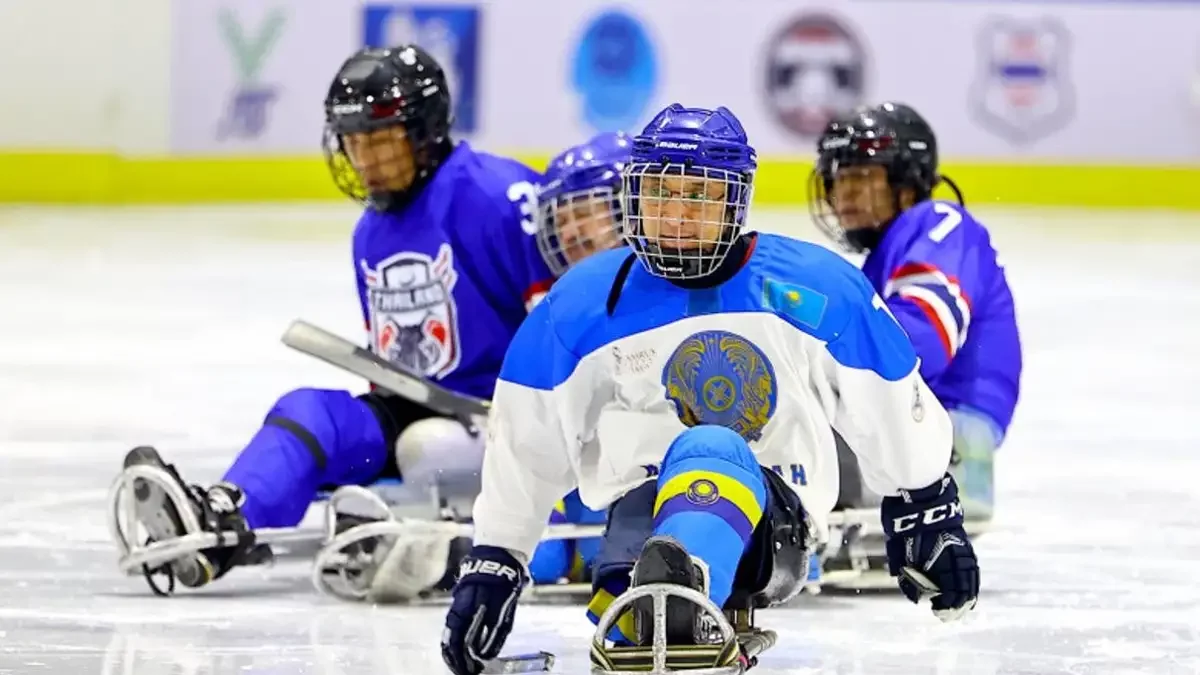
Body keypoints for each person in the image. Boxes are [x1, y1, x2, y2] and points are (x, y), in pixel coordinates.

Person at [440, 103, 981, 675]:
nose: (676, 216)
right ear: (634, 198)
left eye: (698, 197)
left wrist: (925, 504)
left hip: (771, 529)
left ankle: (681, 595)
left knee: (714, 448)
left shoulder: (811, 287)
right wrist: (497, 557)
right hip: (633, 526)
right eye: (661, 194)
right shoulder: (580, 304)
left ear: (735, 201)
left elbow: (887, 391)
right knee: (632, 534)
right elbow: (530, 433)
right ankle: (653, 602)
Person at [109, 44, 557, 594]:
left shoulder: (500, 196)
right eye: (354, 142)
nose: (365, 159)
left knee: (430, 450)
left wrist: (536, 416)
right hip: (417, 413)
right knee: (311, 413)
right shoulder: (370, 231)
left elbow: (563, 320)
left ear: (426, 131)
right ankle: (221, 519)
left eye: (381, 140)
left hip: (504, 420)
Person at [809, 102, 1022, 529]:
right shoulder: (885, 256)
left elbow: (920, 342)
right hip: (922, 427)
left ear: (907, 184)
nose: (843, 193)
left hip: (948, 434)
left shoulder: (941, 224)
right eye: (837, 178)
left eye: (861, 176)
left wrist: (812, 375)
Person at [525, 130, 633, 584]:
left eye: (584, 213)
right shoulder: (552, 305)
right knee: (546, 559)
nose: (569, 232)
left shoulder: (681, 291)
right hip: (582, 463)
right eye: (561, 218)